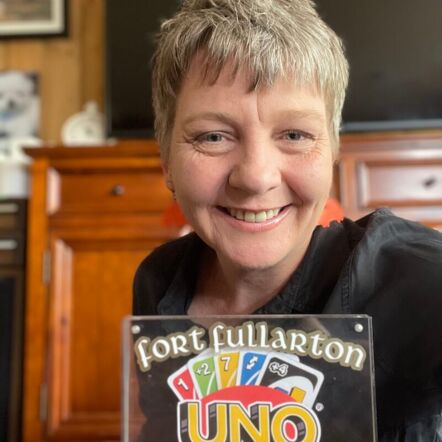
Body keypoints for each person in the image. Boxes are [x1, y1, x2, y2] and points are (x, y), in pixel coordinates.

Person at [133, 0, 442, 440]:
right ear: (166, 160)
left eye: (295, 135)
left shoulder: (410, 277)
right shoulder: (159, 282)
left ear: (332, 151)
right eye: (213, 137)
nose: (256, 177)